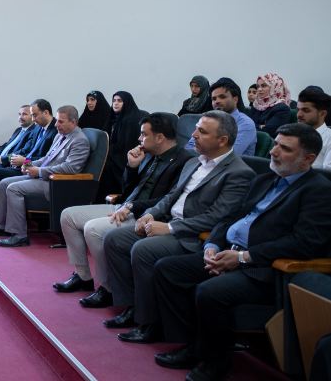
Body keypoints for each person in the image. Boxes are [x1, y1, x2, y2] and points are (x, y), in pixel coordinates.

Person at [152, 124, 331, 381]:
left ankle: (215, 362)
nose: (273, 152)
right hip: (228, 253)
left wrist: (242, 258)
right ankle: (193, 345)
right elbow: (230, 217)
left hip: (265, 269)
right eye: (275, 144)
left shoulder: (318, 191)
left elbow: (303, 242)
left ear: (308, 158)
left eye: (285, 148)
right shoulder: (265, 179)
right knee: (167, 270)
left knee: (209, 292)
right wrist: (212, 245)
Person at [102, 110, 255, 342]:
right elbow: (171, 197)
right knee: (114, 239)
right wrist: (150, 214)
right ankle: (132, 307)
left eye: (202, 131)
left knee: (143, 250)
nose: (193, 135)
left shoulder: (239, 172)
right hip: (168, 222)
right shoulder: (194, 162)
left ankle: (150, 323)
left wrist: (171, 229)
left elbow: (217, 216)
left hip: (194, 236)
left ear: (222, 140)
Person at [54, 112, 195, 308]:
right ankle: (83, 276)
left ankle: (108, 288)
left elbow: (169, 200)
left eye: (144, 134)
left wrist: (131, 206)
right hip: (124, 206)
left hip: (145, 215)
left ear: (160, 137)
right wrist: (131, 167)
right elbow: (128, 191)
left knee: (93, 229)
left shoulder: (184, 160)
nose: (139, 138)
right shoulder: (149, 155)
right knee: (68, 216)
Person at [0, 106, 91, 247]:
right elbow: (47, 158)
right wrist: (29, 164)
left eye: (61, 121)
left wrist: (39, 171)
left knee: (13, 189)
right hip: (45, 177)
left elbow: (70, 168)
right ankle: (1, 225)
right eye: (57, 120)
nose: (56, 124)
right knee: (4, 183)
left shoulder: (80, 140)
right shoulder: (60, 135)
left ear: (74, 122)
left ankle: (19, 235)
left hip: (57, 184)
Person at [0, 99, 58, 224]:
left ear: (46, 113)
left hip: (34, 170)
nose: (33, 119)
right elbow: (29, 151)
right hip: (25, 165)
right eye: (31, 115)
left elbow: (46, 158)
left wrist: (24, 161)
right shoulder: (39, 128)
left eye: (34, 115)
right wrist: (21, 160)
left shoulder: (55, 131)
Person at [186, 77, 256, 156]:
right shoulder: (209, 120)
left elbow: (229, 155)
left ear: (235, 99)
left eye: (222, 97)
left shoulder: (245, 124)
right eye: (214, 99)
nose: (217, 101)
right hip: (200, 161)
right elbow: (190, 146)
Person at [98, 91, 147, 200]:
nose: (116, 103)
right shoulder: (112, 118)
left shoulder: (130, 120)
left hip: (125, 158)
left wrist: (107, 152)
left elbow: (125, 146)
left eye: (120, 101)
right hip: (114, 154)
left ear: (127, 103)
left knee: (106, 168)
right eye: (114, 101)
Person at [296, 86, 331, 169]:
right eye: (298, 110)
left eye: (306, 110)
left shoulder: (329, 138)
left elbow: (327, 173)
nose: (299, 115)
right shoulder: (291, 134)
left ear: (322, 114)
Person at [250, 72, 292, 137]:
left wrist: (256, 126)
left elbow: (267, 132)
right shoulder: (256, 105)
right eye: (258, 86)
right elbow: (246, 126)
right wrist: (260, 126)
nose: (259, 89)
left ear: (274, 87)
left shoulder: (282, 108)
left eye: (264, 86)